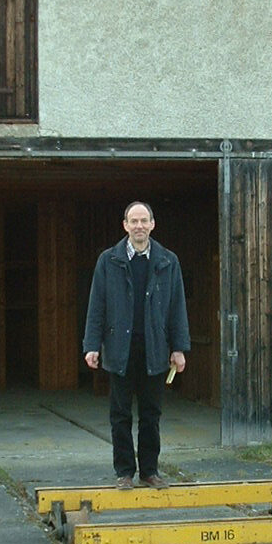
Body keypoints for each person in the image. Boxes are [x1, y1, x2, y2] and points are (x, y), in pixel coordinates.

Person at [83, 201, 190, 489]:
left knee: (151, 414)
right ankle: (125, 472)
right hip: (120, 348)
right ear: (125, 225)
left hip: (155, 349)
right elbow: (97, 306)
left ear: (153, 224)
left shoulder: (168, 261)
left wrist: (179, 348)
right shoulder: (109, 260)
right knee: (119, 414)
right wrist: (91, 345)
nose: (139, 226)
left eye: (144, 221)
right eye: (134, 221)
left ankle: (150, 471)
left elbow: (177, 307)